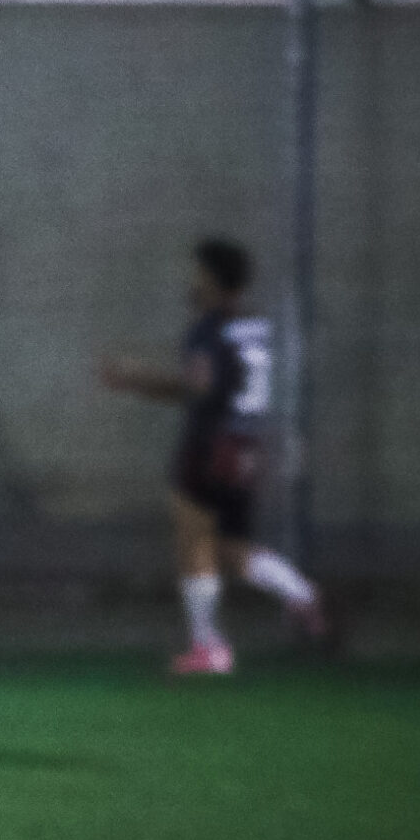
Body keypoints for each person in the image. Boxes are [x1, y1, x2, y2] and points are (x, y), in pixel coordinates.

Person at [100, 236, 329, 675]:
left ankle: (209, 647)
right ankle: (301, 593)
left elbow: (198, 388)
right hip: (248, 446)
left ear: (210, 278)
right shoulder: (254, 325)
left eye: (197, 272)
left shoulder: (208, 328)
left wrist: (136, 379)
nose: (190, 281)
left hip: (210, 446)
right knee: (230, 547)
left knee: (193, 540)